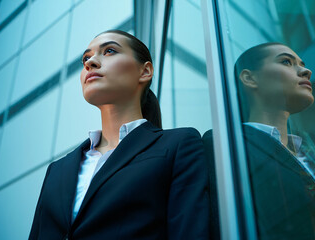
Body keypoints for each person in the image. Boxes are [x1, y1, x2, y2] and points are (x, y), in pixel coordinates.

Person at [29, 30, 209, 240]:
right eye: (86, 58)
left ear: (145, 71)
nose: (90, 63)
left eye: (109, 51)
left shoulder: (178, 144)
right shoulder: (56, 170)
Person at [234, 42, 315, 239]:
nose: (306, 71)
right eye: (286, 62)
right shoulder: (230, 148)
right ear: (249, 78)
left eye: (301, 64)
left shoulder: (314, 153)